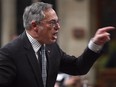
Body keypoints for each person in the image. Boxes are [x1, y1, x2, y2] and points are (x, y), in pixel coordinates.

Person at [0, 2, 115, 87]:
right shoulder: (9, 53)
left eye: (58, 22)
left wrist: (94, 44)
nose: (58, 27)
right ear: (35, 26)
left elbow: (77, 67)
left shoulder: (52, 47)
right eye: (52, 22)